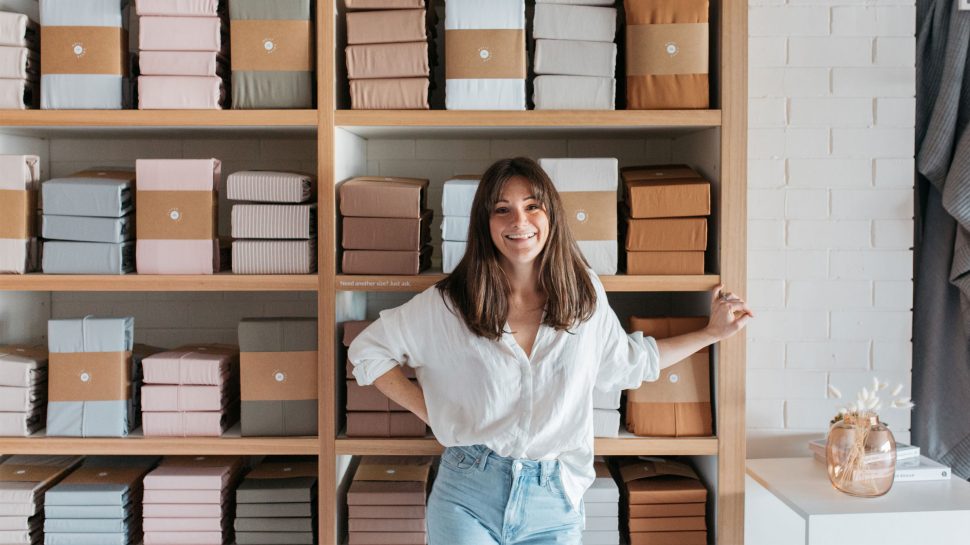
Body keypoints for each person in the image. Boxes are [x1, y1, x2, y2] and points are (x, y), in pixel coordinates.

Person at [348, 157, 753, 545]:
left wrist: (711, 333)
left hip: (553, 500)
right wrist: (433, 413)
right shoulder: (449, 303)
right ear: (484, 223)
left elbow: (629, 364)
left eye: (532, 206)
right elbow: (368, 351)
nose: (519, 222)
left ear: (551, 216)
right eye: (502, 210)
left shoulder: (584, 296)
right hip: (466, 496)